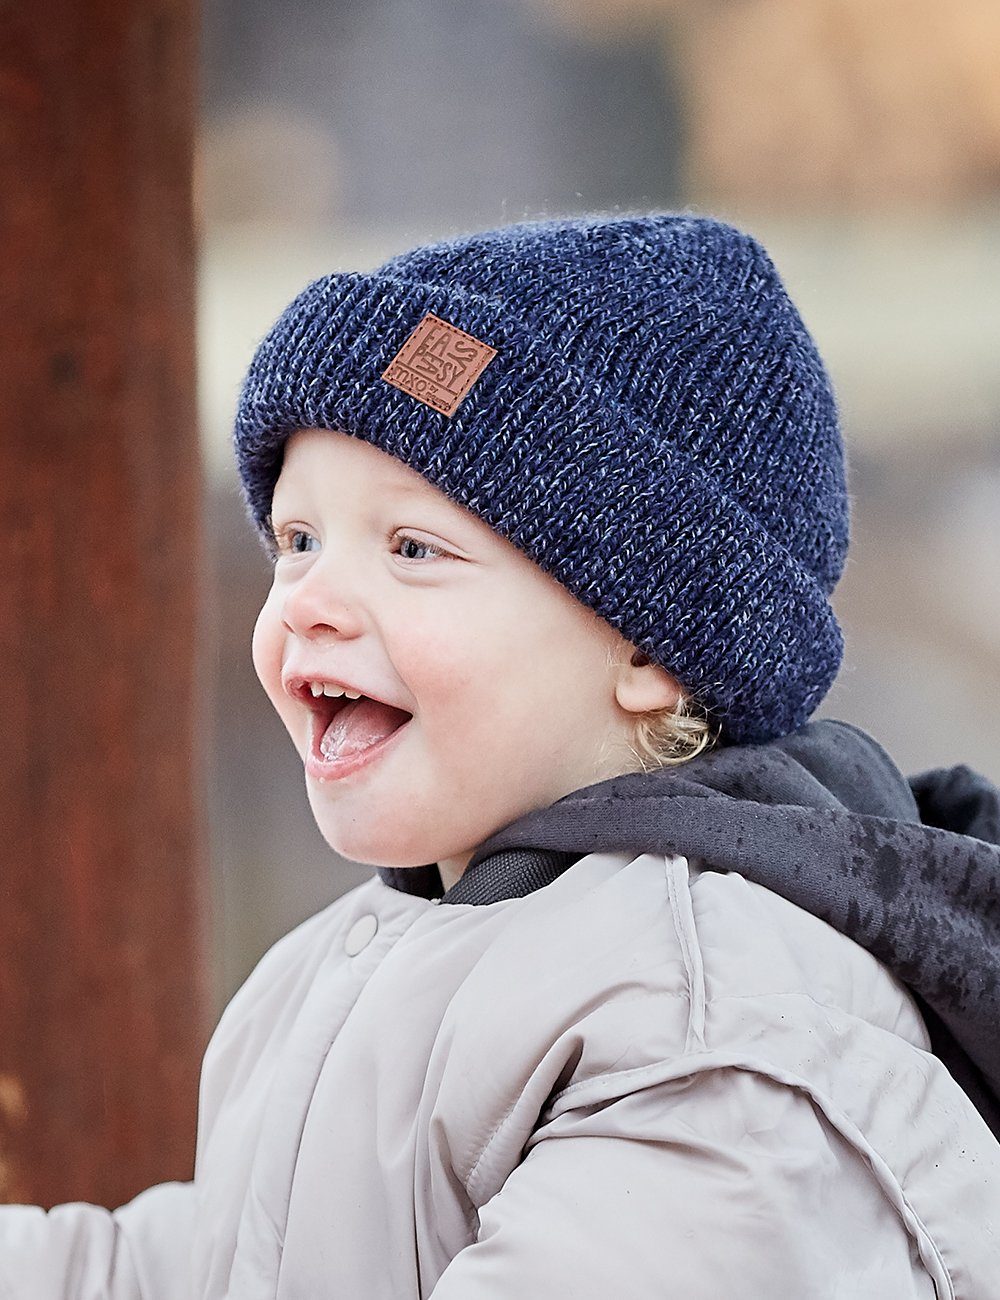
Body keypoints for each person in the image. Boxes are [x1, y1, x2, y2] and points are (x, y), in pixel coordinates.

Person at [4, 211, 1000, 1296]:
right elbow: (218, 1270)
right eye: (298, 540)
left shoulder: (704, 1031)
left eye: (413, 548)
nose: (312, 602)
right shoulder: (358, 960)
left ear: (646, 645)